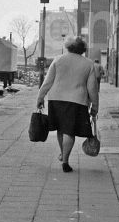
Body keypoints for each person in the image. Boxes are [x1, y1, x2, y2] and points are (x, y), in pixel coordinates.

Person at [36, 37, 99, 172]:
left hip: (56, 99)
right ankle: (65, 161)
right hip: (77, 101)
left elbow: (47, 82)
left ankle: (62, 154)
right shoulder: (88, 64)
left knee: (60, 129)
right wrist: (95, 106)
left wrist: (40, 98)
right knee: (70, 131)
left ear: (68, 47)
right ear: (83, 49)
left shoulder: (58, 60)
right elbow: (92, 88)